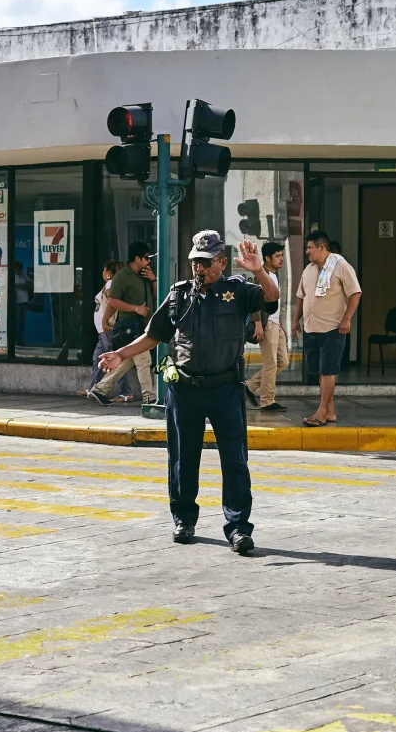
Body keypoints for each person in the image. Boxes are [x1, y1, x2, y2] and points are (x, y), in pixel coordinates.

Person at [99, 231, 279, 555]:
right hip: (185, 389)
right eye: (196, 261)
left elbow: (271, 296)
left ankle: (238, 528)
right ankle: (184, 519)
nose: (200, 268)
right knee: (183, 459)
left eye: (207, 263)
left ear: (222, 262)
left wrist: (259, 270)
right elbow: (153, 335)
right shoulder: (180, 294)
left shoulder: (238, 291)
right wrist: (121, 355)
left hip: (225, 389)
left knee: (235, 461)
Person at [291, 230, 361, 427]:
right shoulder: (309, 269)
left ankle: (321, 412)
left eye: (310, 247)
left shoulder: (340, 265)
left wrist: (347, 319)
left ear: (322, 247)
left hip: (333, 328)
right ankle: (330, 412)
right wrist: (296, 320)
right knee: (320, 372)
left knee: (328, 371)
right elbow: (301, 296)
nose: (307, 251)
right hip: (311, 328)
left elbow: (355, 293)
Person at [88, 242, 156, 405]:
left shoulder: (145, 274)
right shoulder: (122, 276)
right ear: (137, 258)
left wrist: (153, 279)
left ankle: (99, 389)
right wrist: (135, 309)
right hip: (131, 327)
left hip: (146, 324)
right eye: (146, 258)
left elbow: (155, 296)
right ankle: (150, 397)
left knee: (127, 361)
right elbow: (112, 301)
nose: (149, 261)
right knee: (143, 359)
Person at [80, 260, 134, 401]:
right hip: (102, 330)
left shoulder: (111, 284)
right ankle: (94, 388)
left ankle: (126, 392)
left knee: (113, 359)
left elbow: (111, 302)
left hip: (107, 329)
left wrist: (105, 322)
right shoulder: (110, 284)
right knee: (96, 358)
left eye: (104, 270)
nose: (102, 273)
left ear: (109, 273)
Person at [245, 242, 289, 412]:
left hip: (276, 324)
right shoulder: (261, 275)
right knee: (270, 363)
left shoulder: (274, 275)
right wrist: (257, 324)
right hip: (266, 323)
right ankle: (267, 401)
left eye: (282, 256)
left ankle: (249, 386)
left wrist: (282, 326)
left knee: (282, 361)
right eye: (277, 256)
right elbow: (253, 303)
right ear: (267, 258)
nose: (281, 259)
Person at [14, 261, 31, 346]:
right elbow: (12, 285)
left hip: (24, 301)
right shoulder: (11, 276)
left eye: (20, 269)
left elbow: (30, 284)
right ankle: (15, 340)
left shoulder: (23, 275)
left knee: (22, 322)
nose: (19, 270)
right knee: (16, 321)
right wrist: (21, 285)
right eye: (17, 269)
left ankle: (20, 340)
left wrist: (21, 285)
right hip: (16, 302)